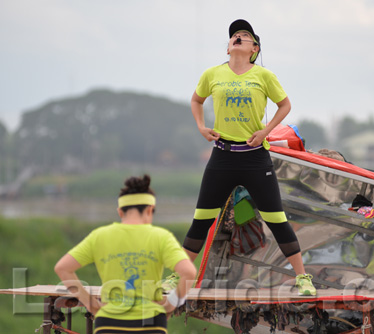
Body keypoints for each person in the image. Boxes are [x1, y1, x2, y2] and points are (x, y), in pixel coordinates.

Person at [167, 19, 316, 296]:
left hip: (255, 158)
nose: (238, 37)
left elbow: (285, 105)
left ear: (254, 48)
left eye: (244, 35)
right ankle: (178, 278)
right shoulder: (212, 74)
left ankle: (303, 278)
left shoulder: (264, 76)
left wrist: (265, 131)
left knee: (276, 219)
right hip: (222, 156)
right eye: (234, 35)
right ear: (228, 48)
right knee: (201, 219)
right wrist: (201, 126)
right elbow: (196, 100)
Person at [54, 175, 197, 334]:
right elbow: (189, 272)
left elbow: (63, 268)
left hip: (108, 323)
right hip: (151, 323)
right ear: (150, 210)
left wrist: (92, 304)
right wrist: (171, 304)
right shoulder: (161, 237)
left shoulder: (100, 236)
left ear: (120, 212)